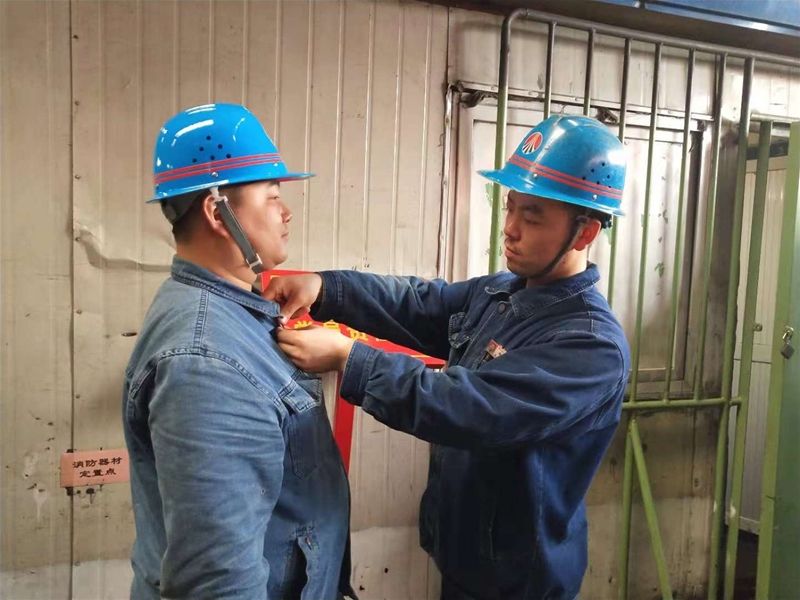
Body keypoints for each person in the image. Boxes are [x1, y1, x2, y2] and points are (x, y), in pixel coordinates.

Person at [266, 115, 631, 600]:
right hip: (467, 556)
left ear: (584, 234)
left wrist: (349, 358)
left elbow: (471, 407)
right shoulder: (502, 293)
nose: (510, 230)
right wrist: (327, 288)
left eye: (533, 217)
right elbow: (420, 303)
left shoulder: (590, 346)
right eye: (510, 208)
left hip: (516, 581)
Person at [123, 103, 354, 600]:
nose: (286, 212)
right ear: (217, 213)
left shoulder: (223, 311)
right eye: (271, 196)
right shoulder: (206, 363)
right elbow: (217, 579)